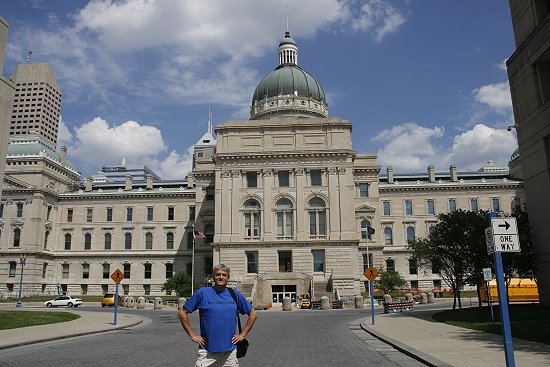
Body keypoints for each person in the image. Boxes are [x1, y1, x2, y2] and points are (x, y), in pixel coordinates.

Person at [178, 264, 257, 367]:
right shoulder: (203, 293)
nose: (221, 277)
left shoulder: (234, 294)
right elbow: (182, 313)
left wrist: (242, 335)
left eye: (224, 275)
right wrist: (192, 335)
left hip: (229, 352)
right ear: (213, 277)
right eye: (217, 274)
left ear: (228, 278)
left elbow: (253, 314)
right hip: (207, 351)